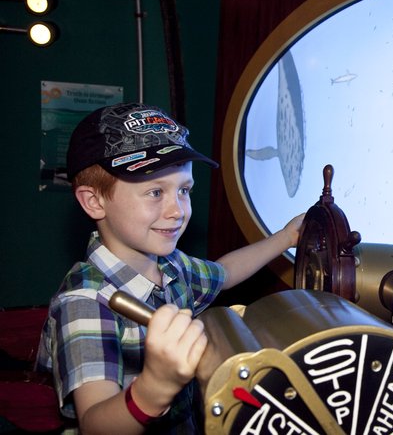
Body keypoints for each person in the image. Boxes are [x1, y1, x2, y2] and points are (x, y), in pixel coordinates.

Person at [36, 102, 304, 433]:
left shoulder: (172, 266)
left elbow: (225, 273)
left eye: (184, 190)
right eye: (155, 192)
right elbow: (94, 424)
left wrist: (285, 237)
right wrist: (154, 388)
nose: (177, 210)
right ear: (94, 201)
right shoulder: (84, 303)